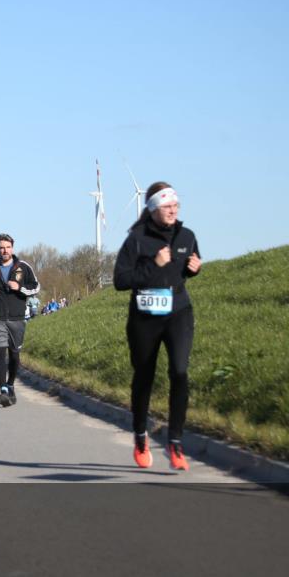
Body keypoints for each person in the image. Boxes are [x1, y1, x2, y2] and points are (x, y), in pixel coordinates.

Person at [113, 181, 201, 472]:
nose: (173, 210)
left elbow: (186, 268)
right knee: (144, 377)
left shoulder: (187, 235)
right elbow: (120, 281)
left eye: (176, 205)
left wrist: (195, 268)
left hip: (178, 312)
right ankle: (140, 436)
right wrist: (154, 264)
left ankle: (175, 442)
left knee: (180, 372)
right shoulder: (136, 240)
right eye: (167, 206)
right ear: (153, 209)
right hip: (145, 317)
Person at [0, 233, 39, 407]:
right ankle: (3, 390)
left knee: (14, 355)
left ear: (12, 247)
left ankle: (10, 383)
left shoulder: (23, 267)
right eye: (1, 248)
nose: (5, 250)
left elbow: (36, 287)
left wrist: (19, 287)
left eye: (8, 247)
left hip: (17, 318)